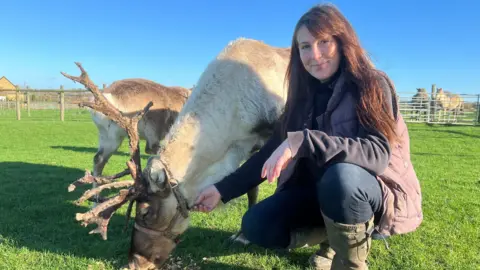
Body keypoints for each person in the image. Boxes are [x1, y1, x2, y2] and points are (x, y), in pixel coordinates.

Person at [193, 3, 423, 270]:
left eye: (323, 42)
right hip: (317, 192)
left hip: (369, 189)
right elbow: (269, 152)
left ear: (341, 40)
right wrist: (222, 190)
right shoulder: (301, 96)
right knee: (256, 224)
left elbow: (377, 153)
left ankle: (350, 261)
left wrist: (303, 140)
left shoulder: (371, 84)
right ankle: (332, 234)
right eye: (305, 46)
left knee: (342, 179)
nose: (315, 55)